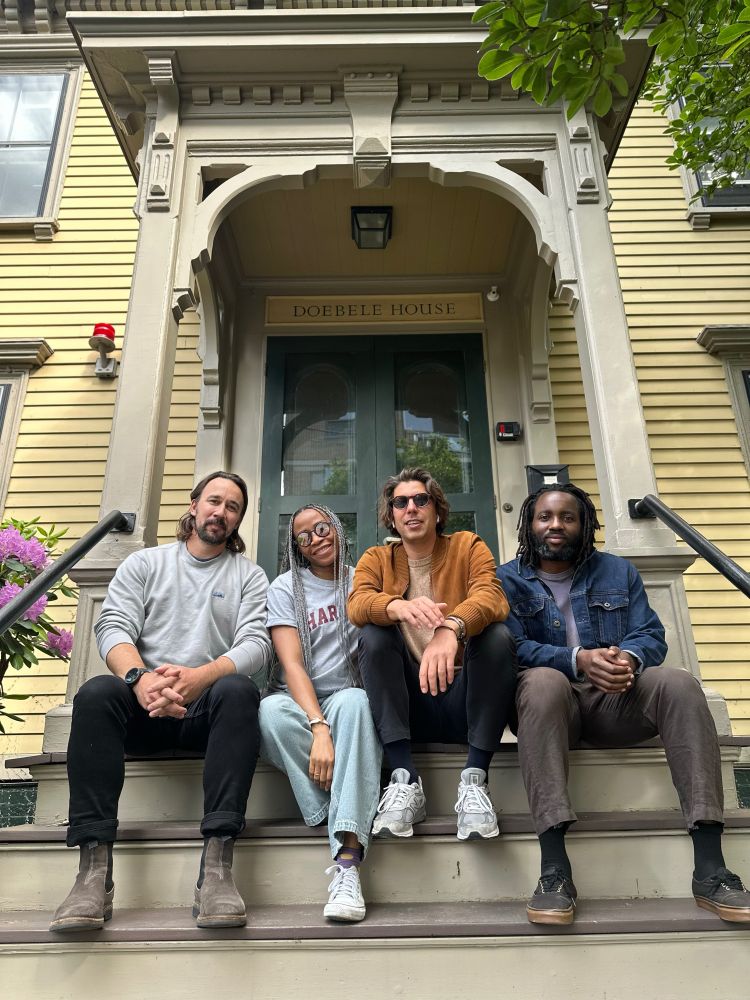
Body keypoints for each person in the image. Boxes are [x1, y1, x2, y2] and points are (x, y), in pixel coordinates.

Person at [499, 482, 750, 926]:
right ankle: (554, 871)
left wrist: (627, 659)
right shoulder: (505, 580)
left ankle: (710, 868)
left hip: (614, 703)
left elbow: (650, 633)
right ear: (528, 525)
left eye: (568, 517)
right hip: (549, 709)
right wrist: (577, 660)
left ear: (584, 525)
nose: (556, 525)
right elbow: (512, 649)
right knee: (541, 682)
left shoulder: (618, 572)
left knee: (678, 683)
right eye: (545, 517)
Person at [50, 471, 272, 933]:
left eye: (232, 507)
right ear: (193, 505)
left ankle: (216, 867)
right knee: (96, 693)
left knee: (238, 691)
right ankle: (92, 871)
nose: (221, 512)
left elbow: (256, 644)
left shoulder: (248, 576)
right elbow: (112, 625)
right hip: (145, 708)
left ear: (237, 521)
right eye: (214, 501)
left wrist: (199, 677)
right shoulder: (145, 563)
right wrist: (141, 680)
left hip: (206, 714)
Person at [348, 467, 517, 841]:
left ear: (437, 510)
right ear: (392, 516)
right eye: (400, 503)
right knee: (373, 634)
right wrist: (396, 606)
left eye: (420, 500)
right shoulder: (377, 558)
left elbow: (492, 596)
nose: (411, 508)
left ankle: (475, 779)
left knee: (497, 636)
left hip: (465, 701)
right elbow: (357, 604)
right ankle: (404, 778)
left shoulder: (467, 546)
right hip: (410, 707)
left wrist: (451, 627)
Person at [259, 505, 382, 923]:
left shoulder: (362, 580)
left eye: (322, 527)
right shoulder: (285, 588)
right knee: (269, 712)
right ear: (297, 548)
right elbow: (291, 665)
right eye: (304, 536)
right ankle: (347, 803)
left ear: (337, 528)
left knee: (356, 701)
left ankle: (348, 862)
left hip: (346, 698)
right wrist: (319, 729)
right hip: (298, 702)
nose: (316, 539)